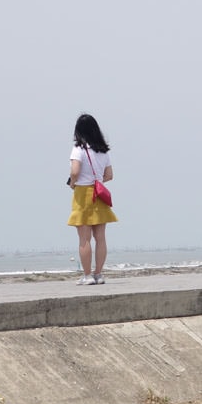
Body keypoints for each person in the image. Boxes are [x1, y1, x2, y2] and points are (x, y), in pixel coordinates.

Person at [67, 113, 117, 284]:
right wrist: (97, 180)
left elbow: (75, 171)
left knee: (84, 238)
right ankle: (98, 274)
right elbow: (109, 175)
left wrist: (73, 182)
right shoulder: (103, 150)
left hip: (83, 194)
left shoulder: (78, 149)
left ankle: (87, 275)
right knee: (100, 237)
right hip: (99, 193)